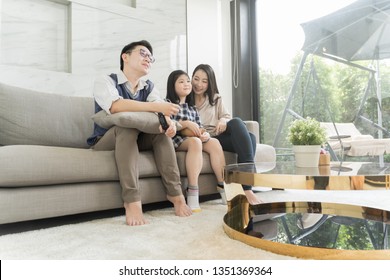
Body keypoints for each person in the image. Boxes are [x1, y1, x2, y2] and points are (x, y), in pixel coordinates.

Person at [86, 40, 192, 226]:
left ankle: (176, 195)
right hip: (107, 140)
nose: (148, 59)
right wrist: (156, 107)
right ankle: (132, 201)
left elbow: (161, 112)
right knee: (126, 128)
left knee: (161, 133)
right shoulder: (105, 80)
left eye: (151, 57)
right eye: (143, 54)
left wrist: (170, 124)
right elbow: (116, 106)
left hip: (137, 139)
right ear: (125, 57)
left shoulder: (148, 87)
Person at [191, 64, 262, 205]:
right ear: (191, 78)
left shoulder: (215, 98)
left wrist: (223, 120)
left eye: (204, 81)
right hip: (205, 138)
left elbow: (226, 116)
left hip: (218, 135)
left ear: (210, 83)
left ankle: (245, 185)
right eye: (196, 79)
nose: (199, 84)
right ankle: (247, 188)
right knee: (250, 138)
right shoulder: (185, 97)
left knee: (245, 131)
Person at [166, 70, 226, 210]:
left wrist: (204, 134)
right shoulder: (168, 104)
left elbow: (200, 127)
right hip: (177, 139)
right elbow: (169, 125)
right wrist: (186, 125)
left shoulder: (192, 108)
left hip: (194, 137)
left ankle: (223, 184)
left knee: (214, 142)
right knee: (195, 142)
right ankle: (192, 190)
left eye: (188, 81)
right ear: (172, 86)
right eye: (181, 82)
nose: (186, 84)